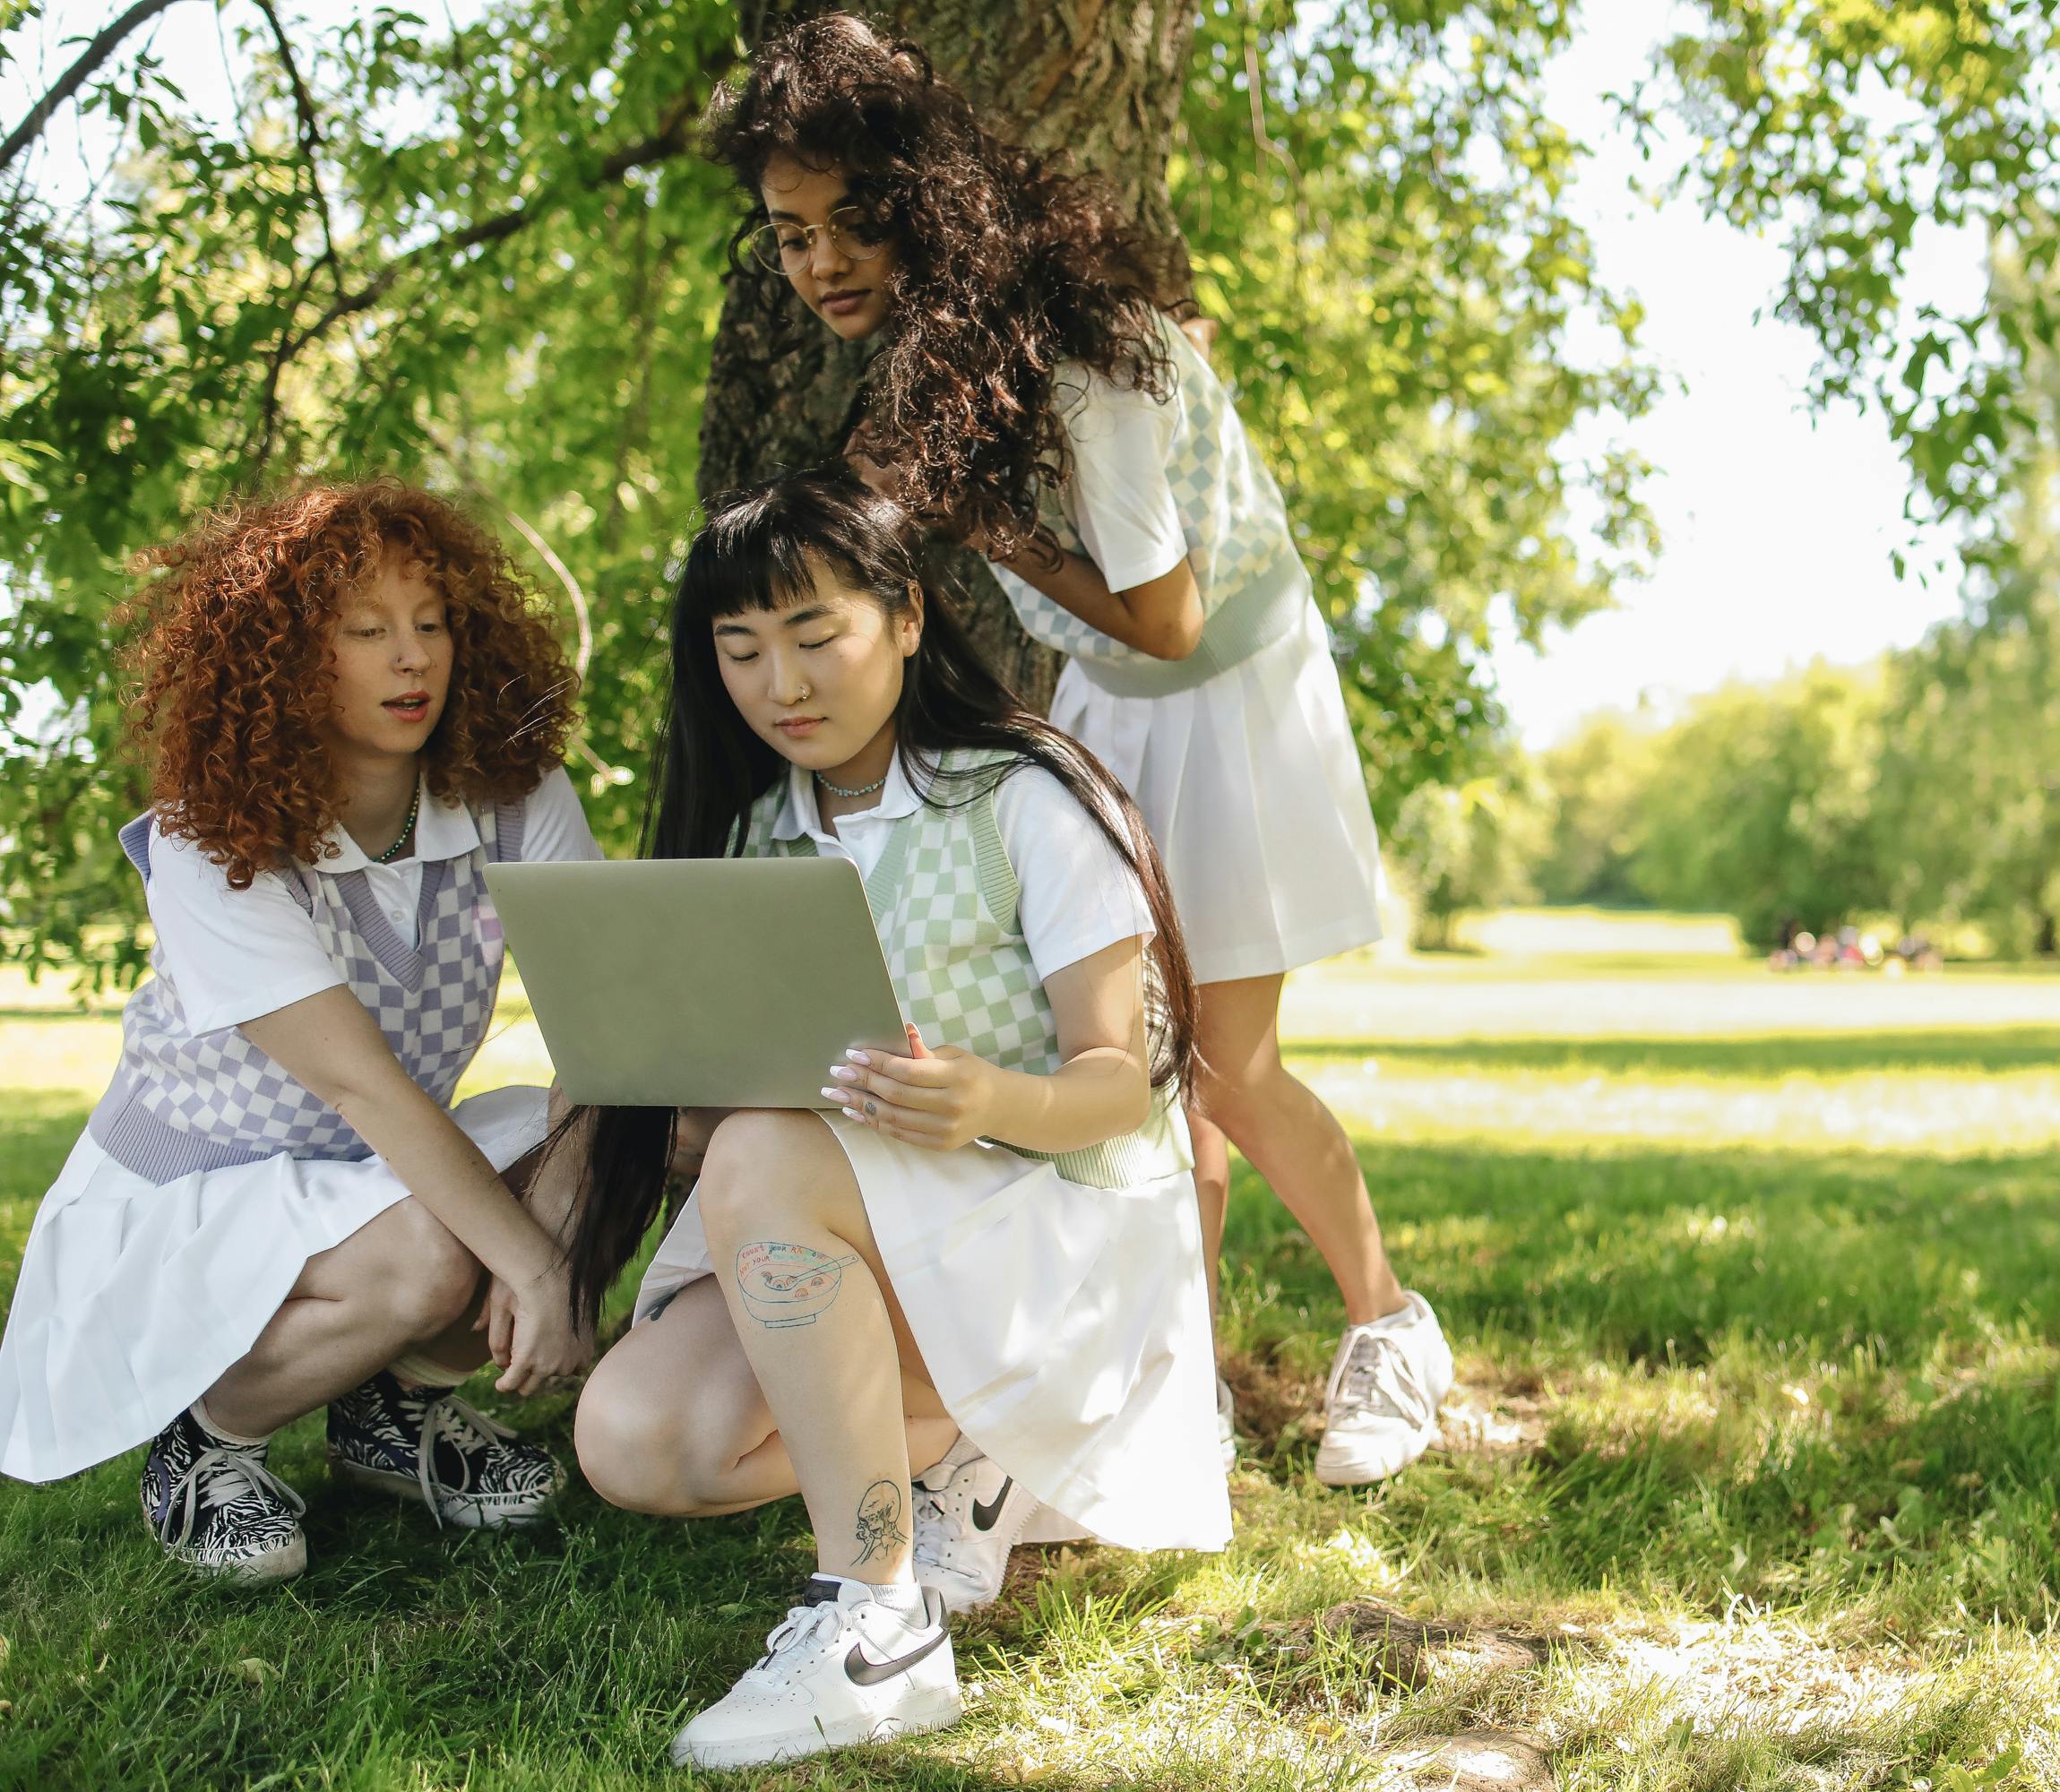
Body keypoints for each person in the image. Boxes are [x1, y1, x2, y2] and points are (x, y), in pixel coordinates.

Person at [704, 14, 1454, 1494]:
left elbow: (1172, 620)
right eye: (793, 236)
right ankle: (1180, 1378)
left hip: (1225, 702)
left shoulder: (1082, 355)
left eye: (857, 222)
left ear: (928, 203)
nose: (825, 263)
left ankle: (1392, 1328)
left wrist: (987, 529)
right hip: (1118, 697)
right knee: (1138, 1066)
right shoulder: (971, 344)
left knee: (1228, 1067)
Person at [565, 473, 1226, 1771]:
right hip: (842, 1227)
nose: (782, 681)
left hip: (1048, 1218)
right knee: (635, 1443)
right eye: (741, 649)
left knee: (766, 1153)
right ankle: (988, 1447)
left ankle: (873, 1616)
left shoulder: (1024, 794)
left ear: (908, 617)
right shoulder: (751, 834)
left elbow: (1121, 1080)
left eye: (817, 635)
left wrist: (990, 1099)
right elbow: (728, 1118)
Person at [0, 481, 599, 1581]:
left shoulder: (517, 793)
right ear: (282, 657)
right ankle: (210, 1436)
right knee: (430, 1252)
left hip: (368, 1177)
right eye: (366, 631)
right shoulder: (207, 840)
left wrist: (565, 1229)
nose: (411, 658)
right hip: (195, 1195)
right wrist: (536, 1265)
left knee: (636, 1129)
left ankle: (392, 1410)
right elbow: (364, 1089)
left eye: (431, 623)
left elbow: (609, 1024)